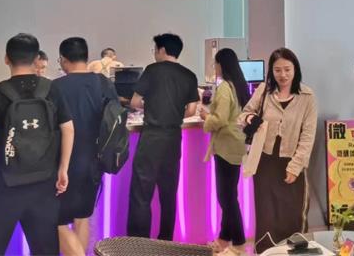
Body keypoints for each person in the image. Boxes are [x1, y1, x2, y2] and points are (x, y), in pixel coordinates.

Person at [0, 33, 74, 255]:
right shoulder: (51, 89)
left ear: (6, 59)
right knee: (45, 249)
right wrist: (63, 168)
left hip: (4, 184)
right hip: (44, 182)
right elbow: (68, 128)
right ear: (36, 59)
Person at [240, 48, 317, 254]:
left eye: (287, 69)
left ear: (295, 69)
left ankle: (295, 252)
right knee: (266, 213)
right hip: (265, 162)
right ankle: (266, 252)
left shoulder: (307, 96)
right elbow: (244, 114)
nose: (282, 75)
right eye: (277, 70)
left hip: (291, 162)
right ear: (271, 71)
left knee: (292, 213)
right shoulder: (264, 91)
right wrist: (249, 118)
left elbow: (308, 136)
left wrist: (295, 166)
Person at [127, 34, 199, 240]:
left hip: (152, 137)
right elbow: (191, 109)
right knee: (168, 194)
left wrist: (152, 107)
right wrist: (174, 112)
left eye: (155, 50)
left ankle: (139, 244)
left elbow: (134, 102)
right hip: (173, 138)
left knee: (142, 194)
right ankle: (166, 242)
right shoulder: (189, 75)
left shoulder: (152, 70)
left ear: (162, 50)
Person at [53, 37, 118, 256]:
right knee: (82, 218)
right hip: (94, 160)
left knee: (56, 221)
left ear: (63, 59)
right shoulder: (103, 83)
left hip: (62, 162)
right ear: (86, 57)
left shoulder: (56, 87)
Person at [201, 48, 251, 256]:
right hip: (237, 145)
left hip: (225, 147)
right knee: (229, 194)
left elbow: (220, 119)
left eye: (215, 63)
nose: (214, 67)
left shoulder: (224, 88)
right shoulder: (240, 86)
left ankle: (238, 242)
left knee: (226, 197)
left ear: (221, 65)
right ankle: (223, 239)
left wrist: (206, 118)